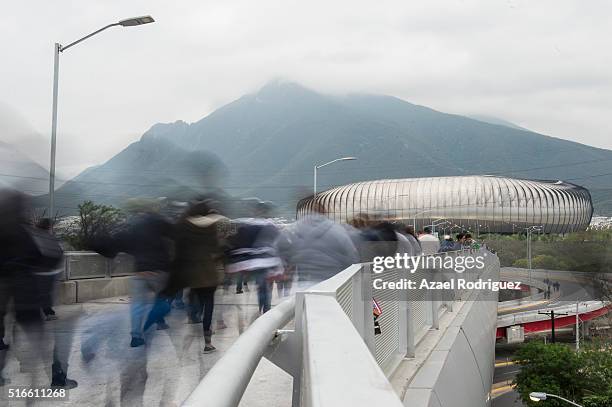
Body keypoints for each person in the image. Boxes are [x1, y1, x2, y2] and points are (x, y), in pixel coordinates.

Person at [94, 198, 174, 347]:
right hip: (159, 270)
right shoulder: (158, 221)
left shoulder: (133, 226)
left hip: (140, 271)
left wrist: (96, 243)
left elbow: (115, 244)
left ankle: (136, 336)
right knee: (164, 299)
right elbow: (175, 234)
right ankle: (156, 321)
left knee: (137, 305)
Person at [173, 200, 227, 353]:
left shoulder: (186, 228)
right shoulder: (211, 228)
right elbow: (218, 250)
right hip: (209, 275)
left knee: (196, 299)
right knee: (208, 306)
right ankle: (207, 342)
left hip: (193, 276)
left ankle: (193, 315)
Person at [225, 202, 282, 314]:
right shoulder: (272, 226)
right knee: (266, 286)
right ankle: (266, 308)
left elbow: (239, 243)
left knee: (260, 286)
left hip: (254, 263)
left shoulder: (248, 226)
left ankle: (262, 306)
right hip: (269, 262)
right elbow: (279, 244)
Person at [283, 203, 359, 285]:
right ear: (325, 213)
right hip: (331, 278)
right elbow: (350, 252)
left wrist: (289, 262)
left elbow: (281, 245)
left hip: (305, 279)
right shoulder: (336, 229)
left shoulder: (295, 227)